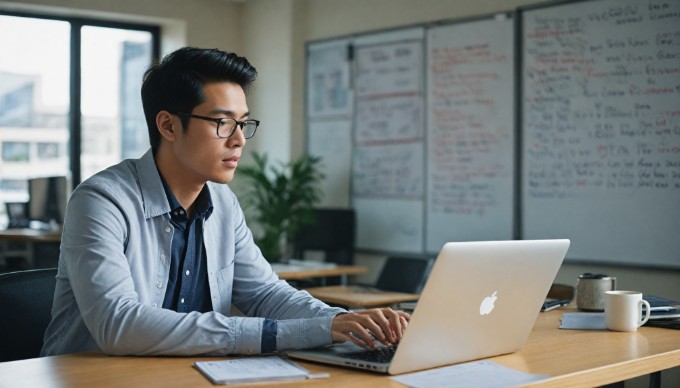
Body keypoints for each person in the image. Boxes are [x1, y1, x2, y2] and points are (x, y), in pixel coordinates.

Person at [41, 47, 409, 357]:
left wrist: (338, 322)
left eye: (244, 124)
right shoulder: (101, 201)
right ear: (168, 126)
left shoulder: (222, 203)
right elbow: (118, 324)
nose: (239, 141)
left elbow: (265, 294)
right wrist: (279, 334)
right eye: (222, 123)